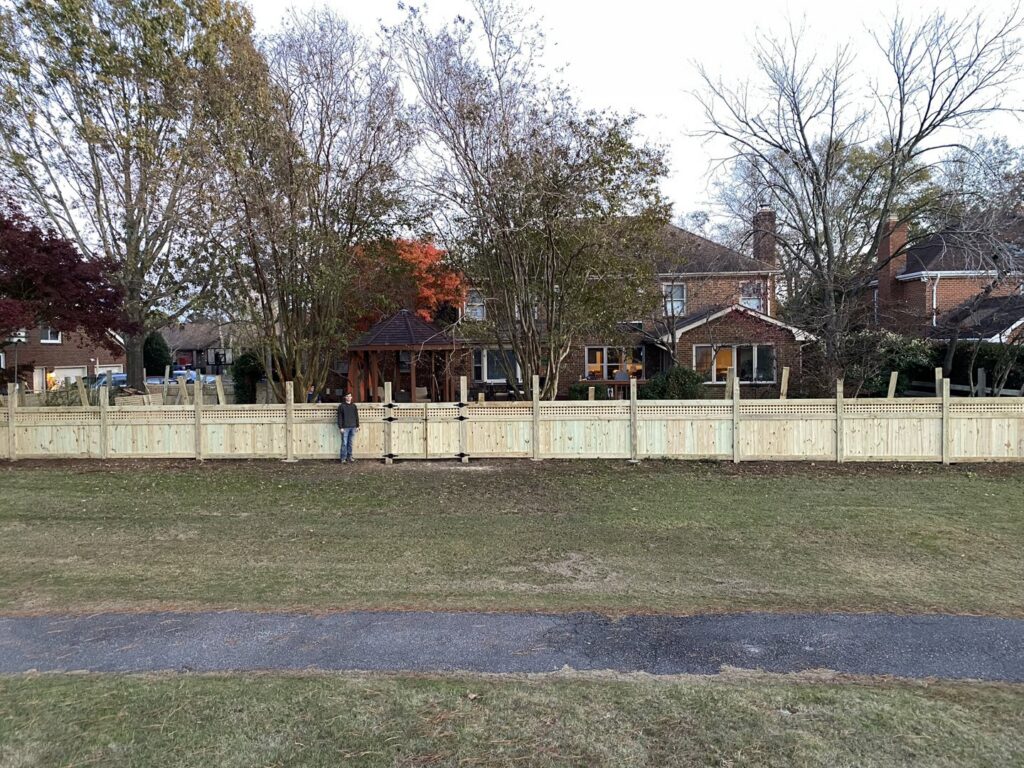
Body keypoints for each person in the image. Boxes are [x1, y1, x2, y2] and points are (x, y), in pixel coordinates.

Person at [336, 391, 360, 463]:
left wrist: (357, 426)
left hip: (353, 427)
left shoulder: (354, 406)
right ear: (345, 397)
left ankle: (350, 457)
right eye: (347, 396)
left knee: (350, 443)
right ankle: (343, 458)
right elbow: (339, 417)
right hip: (345, 428)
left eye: (350, 396)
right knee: (344, 443)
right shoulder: (341, 406)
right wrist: (341, 427)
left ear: (351, 397)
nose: (349, 397)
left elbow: (356, 416)